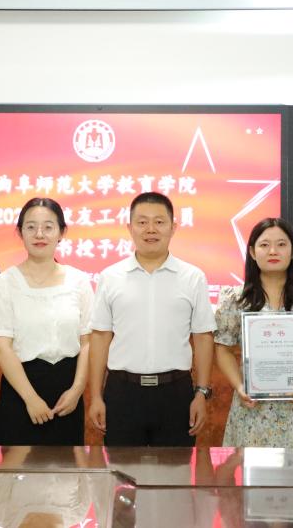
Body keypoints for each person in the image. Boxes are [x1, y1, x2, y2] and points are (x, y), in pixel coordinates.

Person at [88, 191, 216, 446]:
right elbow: (100, 337)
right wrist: (96, 396)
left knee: (176, 469)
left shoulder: (193, 277)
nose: (150, 229)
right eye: (142, 222)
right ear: (130, 228)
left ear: (173, 227)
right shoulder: (110, 277)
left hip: (175, 392)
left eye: (159, 222)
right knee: (121, 470)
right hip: (122, 392)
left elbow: (203, 337)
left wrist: (201, 393)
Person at [214, 217, 293, 448]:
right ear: (252, 252)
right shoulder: (235, 299)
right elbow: (223, 349)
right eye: (264, 245)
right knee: (251, 471)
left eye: (281, 244)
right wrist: (240, 386)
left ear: (292, 252)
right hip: (252, 410)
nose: (273, 251)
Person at [0, 197, 93, 445]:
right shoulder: (5, 283)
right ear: (20, 232)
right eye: (31, 227)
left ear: (61, 232)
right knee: (18, 467)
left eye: (48, 227)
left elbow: (88, 341)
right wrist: (30, 398)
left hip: (67, 394)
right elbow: (1, 346)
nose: (39, 234)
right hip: (20, 390)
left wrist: (77, 390)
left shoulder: (78, 281)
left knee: (67, 468)